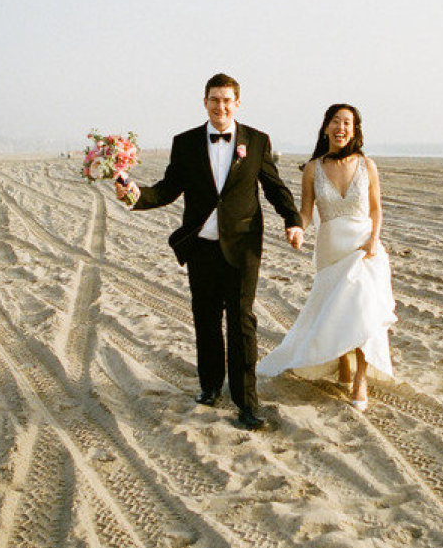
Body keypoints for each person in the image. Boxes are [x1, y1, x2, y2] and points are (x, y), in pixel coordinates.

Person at [117, 74, 304, 430]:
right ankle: (210, 387)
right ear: (205, 102)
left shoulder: (257, 141)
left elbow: (275, 188)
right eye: (214, 100)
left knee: (241, 322)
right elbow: (168, 189)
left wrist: (292, 220)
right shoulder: (185, 143)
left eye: (227, 100)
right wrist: (133, 194)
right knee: (205, 320)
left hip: (243, 246)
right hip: (201, 245)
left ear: (237, 104)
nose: (221, 106)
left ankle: (247, 404)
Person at [257, 103, 396, 411]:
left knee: (362, 308)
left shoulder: (367, 164)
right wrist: (297, 229)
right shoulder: (312, 169)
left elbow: (376, 209)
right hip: (331, 250)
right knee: (337, 312)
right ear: (325, 128)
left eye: (347, 123)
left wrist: (374, 240)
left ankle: (361, 376)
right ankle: (343, 365)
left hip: (363, 248)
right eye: (335, 121)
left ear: (355, 130)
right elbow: (306, 212)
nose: (341, 128)